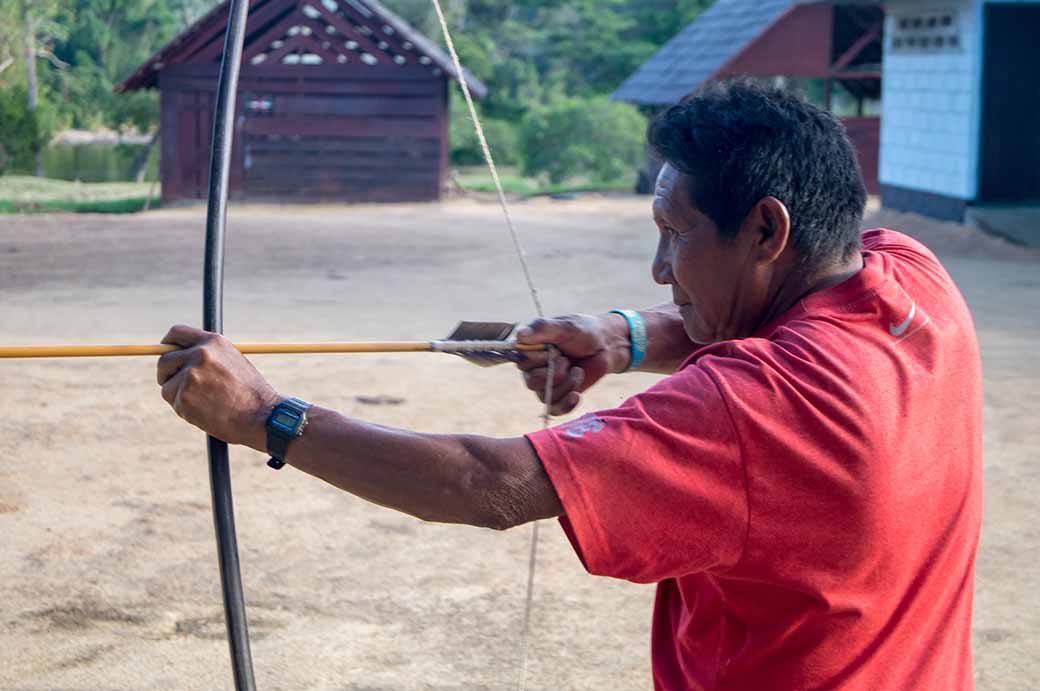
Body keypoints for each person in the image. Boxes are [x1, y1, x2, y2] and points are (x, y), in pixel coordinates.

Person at [157, 81, 982, 690]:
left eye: (676, 235)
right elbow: (765, 318)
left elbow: (492, 483)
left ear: (767, 228)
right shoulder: (911, 275)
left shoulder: (753, 403)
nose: (659, 269)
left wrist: (266, 415)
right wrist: (619, 338)